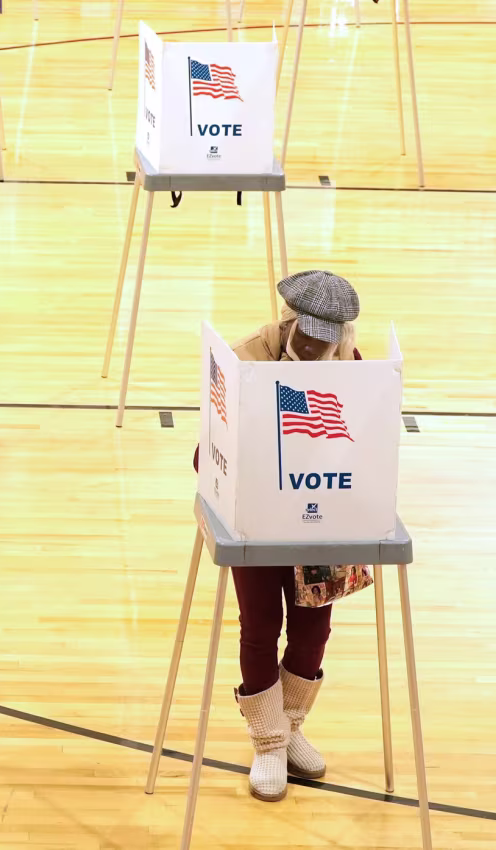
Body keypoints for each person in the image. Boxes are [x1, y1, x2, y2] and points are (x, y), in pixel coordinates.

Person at [195, 270, 361, 802]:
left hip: (321, 515)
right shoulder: (243, 360)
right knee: (260, 625)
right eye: (305, 338)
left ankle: (290, 727)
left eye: (324, 343)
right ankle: (267, 742)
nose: (312, 349)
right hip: (258, 516)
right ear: (289, 322)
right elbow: (205, 453)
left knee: (314, 630)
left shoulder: (356, 368)